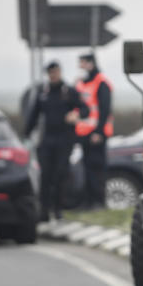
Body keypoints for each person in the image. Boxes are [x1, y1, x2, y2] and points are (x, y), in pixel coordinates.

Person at [25, 61, 89, 221]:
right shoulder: (43, 92)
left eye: (56, 72)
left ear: (60, 72)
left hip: (65, 140)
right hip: (47, 140)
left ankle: (58, 208)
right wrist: (26, 135)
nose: (53, 75)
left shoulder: (69, 91)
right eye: (50, 73)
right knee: (45, 175)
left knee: (60, 174)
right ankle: (44, 211)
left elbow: (85, 108)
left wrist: (77, 115)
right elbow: (33, 115)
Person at [75, 53, 114, 209]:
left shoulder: (101, 82)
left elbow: (104, 110)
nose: (80, 66)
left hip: (97, 133)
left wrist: (98, 132)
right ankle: (88, 201)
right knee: (87, 168)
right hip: (84, 133)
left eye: (83, 63)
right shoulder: (81, 83)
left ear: (91, 63)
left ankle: (99, 201)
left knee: (97, 168)